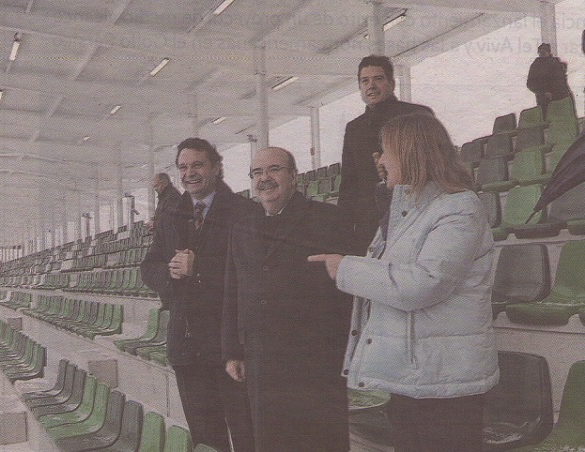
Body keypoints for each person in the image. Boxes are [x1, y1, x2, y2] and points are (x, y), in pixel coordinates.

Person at [310, 113, 499, 452]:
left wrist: (346, 269)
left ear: (410, 153)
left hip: (445, 386)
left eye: (385, 151)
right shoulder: (408, 213)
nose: (380, 161)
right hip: (413, 378)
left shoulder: (460, 208)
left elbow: (422, 283)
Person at [222, 147, 352, 452]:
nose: (264, 179)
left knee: (322, 443)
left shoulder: (327, 219)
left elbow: (346, 295)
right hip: (261, 361)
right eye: (257, 173)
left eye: (274, 170)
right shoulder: (241, 227)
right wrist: (232, 351)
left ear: (294, 176)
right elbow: (233, 291)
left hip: (316, 362)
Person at [141, 138, 256, 452]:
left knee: (248, 437)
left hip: (230, 346)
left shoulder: (244, 211)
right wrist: (170, 272)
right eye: (183, 167)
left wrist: (199, 267)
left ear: (217, 167)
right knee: (206, 439)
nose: (189, 173)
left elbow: (253, 272)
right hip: (188, 346)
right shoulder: (171, 215)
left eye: (197, 165)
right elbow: (148, 267)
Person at [338, 55, 433, 254]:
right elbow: (349, 183)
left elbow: (432, 166)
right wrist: (344, 230)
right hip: (369, 221)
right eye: (365, 81)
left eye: (378, 79)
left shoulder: (418, 115)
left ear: (391, 83)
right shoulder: (354, 128)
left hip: (411, 212)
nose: (371, 85)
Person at [143, 172, 181, 309]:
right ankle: (167, 302)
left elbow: (171, 221)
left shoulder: (173, 197)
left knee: (167, 271)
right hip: (163, 242)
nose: (155, 189)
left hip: (170, 245)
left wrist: (156, 224)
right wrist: (154, 223)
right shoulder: (165, 198)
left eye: (156, 185)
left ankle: (171, 303)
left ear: (164, 182)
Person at [527, 43, 573, 119]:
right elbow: (530, 84)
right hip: (546, 102)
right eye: (540, 52)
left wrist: (568, 95)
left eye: (544, 52)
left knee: (565, 121)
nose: (542, 54)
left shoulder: (557, 63)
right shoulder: (536, 66)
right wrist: (543, 92)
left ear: (549, 52)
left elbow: (562, 81)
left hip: (562, 98)